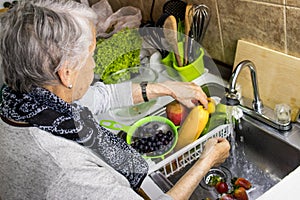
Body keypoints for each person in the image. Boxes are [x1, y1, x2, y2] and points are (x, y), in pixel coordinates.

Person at [0, 0, 230, 200]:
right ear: (67, 73)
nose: (93, 63)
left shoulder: (30, 103)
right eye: (91, 54)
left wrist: (168, 89)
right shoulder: (68, 172)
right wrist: (206, 161)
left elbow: (101, 96)